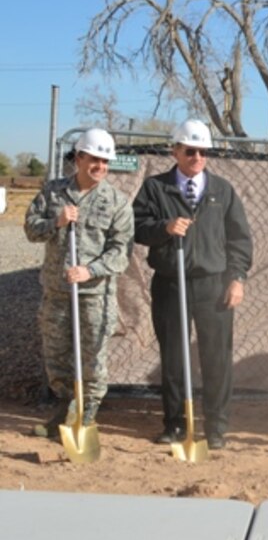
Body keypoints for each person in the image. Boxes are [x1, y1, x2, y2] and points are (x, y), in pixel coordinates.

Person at [132, 119, 252, 450]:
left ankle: (215, 427)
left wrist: (237, 279)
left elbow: (240, 240)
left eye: (202, 151)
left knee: (217, 358)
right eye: (189, 151)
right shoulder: (155, 188)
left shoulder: (222, 191)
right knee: (173, 357)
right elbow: (138, 228)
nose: (196, 157)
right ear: (175, 151)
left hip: (214, 286)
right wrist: (164, 228)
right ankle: (175, 423)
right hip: (171, 284)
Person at [24, 128, 134, 438]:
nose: (100, 167)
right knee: (56, 355)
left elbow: (121, 251)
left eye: (105, 162)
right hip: (57, 293)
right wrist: (55, 222)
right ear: (79, 157)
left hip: (94, 295)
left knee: (93, 358)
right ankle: (63, 410)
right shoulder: (53, 192)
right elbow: (31, 230)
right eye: (94, 160)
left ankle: (86, 418)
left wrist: (90, 270)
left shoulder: (116, 202)